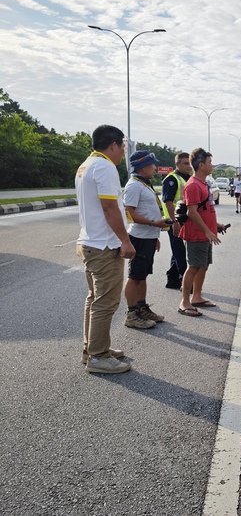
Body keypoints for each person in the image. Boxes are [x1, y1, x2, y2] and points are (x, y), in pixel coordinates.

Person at [75, 125, 135, 374]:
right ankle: (98, 358)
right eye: (122, 146)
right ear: (113, 145)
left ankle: (93, 349)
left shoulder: (86, 165)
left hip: (90, 241)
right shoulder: (105, 167)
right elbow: (110, 208)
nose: (123, 152)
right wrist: (125, 240)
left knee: (94, 299)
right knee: (106, 302)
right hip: (104, 245)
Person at [122, 150, 171, 329]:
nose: (155, 168)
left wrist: (155, 235)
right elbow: (130, 213)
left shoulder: (144, 183)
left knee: (142, 276)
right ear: (142, 167)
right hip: (139, 237)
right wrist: (153, 223)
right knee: (134, 276)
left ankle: (142, 308)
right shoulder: (134, 186)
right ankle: (131, 314)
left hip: (148, 237)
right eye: (152, 164)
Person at [178, 148, 226, 316]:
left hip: (205, 233)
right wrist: (207, 231)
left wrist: (216, 225)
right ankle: (184, 302)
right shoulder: (192, 185)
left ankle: (196, 297)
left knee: (203, 266)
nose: (211, 165)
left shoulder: (203, 184)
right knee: (193, 267)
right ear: (201, 165)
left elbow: (204, 210)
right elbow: (192, 212)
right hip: (197, 234)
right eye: (209, 162)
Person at [162, 152, 192, 289]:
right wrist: (174, 222)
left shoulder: (187, 178)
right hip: (173, 221)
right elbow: (168, 202)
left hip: (183, 220)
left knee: (177, 250)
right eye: (185, 163)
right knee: (180, 252)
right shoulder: (171, 179)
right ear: (177, 164)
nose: (188, 166)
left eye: (189, 163)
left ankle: (172, 279)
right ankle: (185, 282)